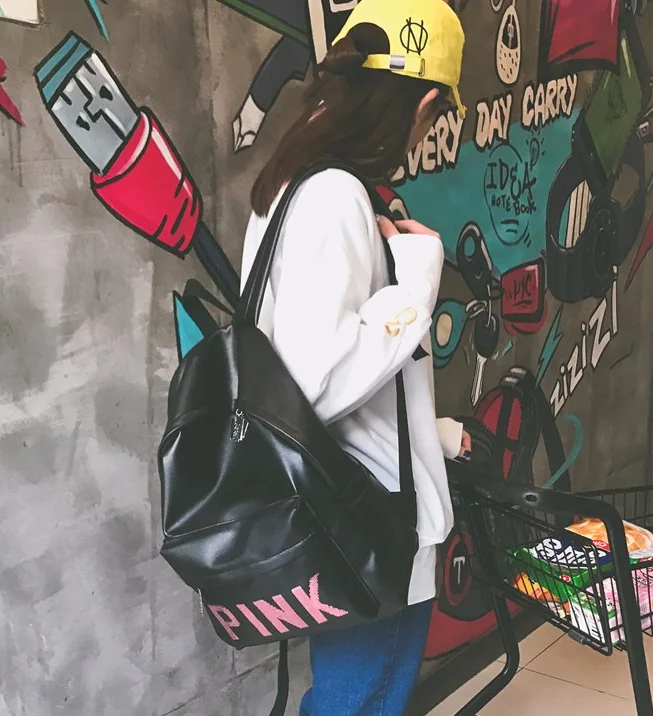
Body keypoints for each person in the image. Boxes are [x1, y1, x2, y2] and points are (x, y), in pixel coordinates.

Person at [240, 1, 470, 713]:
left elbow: (301, 361)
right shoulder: (333, 196)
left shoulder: (291, 184)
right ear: (423, 104)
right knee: (362, 700)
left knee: (354, 697)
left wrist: (429, 433)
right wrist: (419, 281)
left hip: (344, 500)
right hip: (369, 518)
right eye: (433, 119)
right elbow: (319, 380)